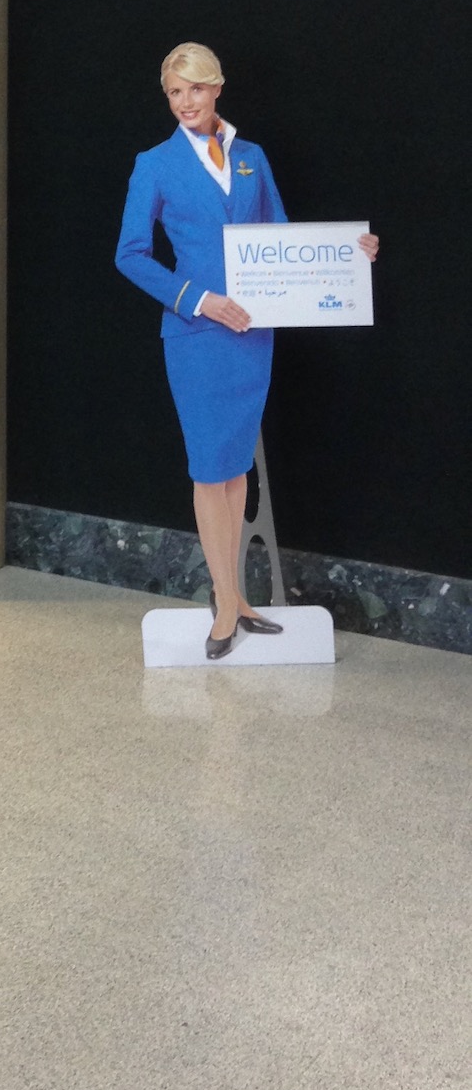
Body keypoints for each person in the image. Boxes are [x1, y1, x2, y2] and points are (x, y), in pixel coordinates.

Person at [115, 43, 378, 659]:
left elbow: (281, 240)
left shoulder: (253, 159)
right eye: (175, 93)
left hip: (253, 334)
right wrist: (199, 299)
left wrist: (346, 252)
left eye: (196, 90)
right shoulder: (152, 164)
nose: (186, 103)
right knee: (211, 471)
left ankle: (233, 597)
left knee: (234, 471)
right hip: (199, 336)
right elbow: (129, 254)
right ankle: (224, 601)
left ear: (218, 89)